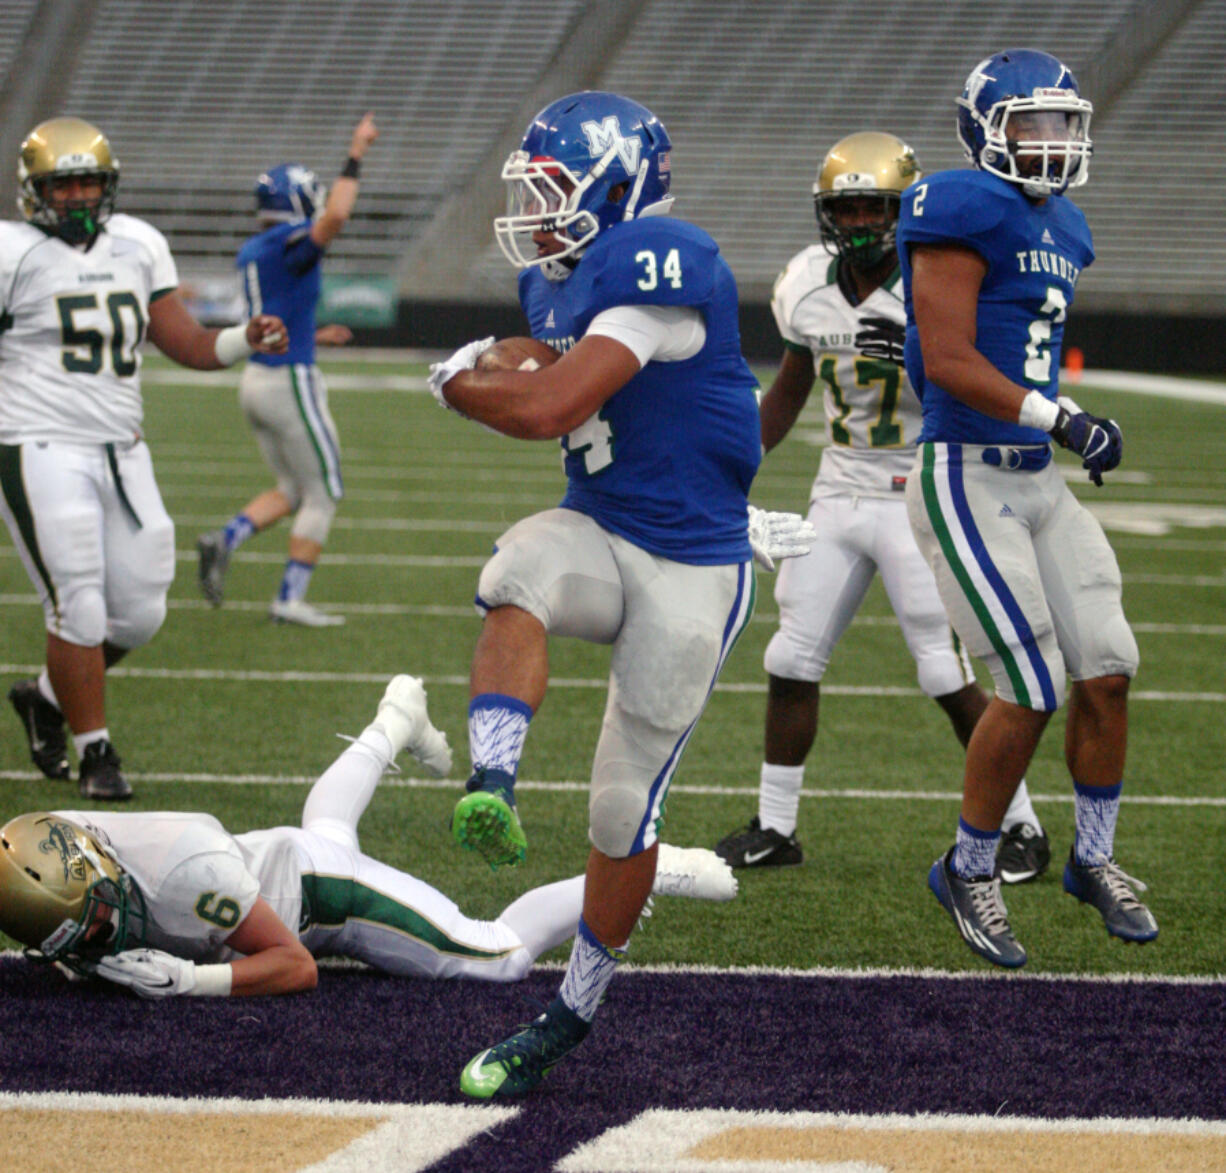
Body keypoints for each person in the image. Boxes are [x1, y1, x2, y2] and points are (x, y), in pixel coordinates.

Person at [425, 92, 813, 1098]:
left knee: (617, 809)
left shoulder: (662, 263)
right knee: (515, 569)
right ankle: (491, 785)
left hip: (692, 565)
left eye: (554, 193)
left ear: (616, 186)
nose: (537, 215)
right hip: (600, 532)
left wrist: (458, 379)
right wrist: (506, 355)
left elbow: (553, 400)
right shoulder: (560, 279)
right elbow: (543, 362)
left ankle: (570, 1011)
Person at [714, 132, 1049, 884]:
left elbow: (976, 387)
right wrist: (725, 473)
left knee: (943, 668)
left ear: (904, 210)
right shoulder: (805, 284)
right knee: (790, 655)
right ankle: (776, 825)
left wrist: (919, 355)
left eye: (875, 206)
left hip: (921, 484)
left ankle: (1021, 825)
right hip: (839, 486)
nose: (861, 220)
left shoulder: (937, 282)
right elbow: (790, 390)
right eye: (847, 206)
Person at [896, 49, 1157, 968]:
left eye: (1062, 125)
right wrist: (1067, 416)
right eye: (1029, 125)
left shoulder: (1069, 224)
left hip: (1035, 477)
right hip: (966, 469)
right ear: (984, 131)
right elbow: (950, 357)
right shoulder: (955, 203)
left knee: (1110, 667)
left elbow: (1028, 349)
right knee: (1034, 681)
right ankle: (967, 867)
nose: (1050, 144)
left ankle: (1093, 859)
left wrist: (1058, 422)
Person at [0, 676, 737, 998]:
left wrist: (195, 979)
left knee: (497, 956)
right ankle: (396, 717)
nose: (101, 933)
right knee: (324, 829)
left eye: (96, 916)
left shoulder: (184, 869)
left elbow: (293, 965)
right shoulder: (51, 860)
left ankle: (651, 866)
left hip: (321, 900)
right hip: (275, 861)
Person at [1, 116, 288, 802]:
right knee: (79, 603)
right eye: (61, 183)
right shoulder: (10, 252)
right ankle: (95, 749)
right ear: (34, 190)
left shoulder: (138, 244)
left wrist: (243, 338)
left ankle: (45, 697)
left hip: (122, 448)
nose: (76, 196)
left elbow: (186, 344)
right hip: (37, 443)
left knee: (140, 611)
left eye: (88, 182)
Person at [196, 112, 379, 628]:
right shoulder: (286, 243)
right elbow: (336, 218)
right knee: (326, 492)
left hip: (257, 377)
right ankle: (289, 599)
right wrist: (356, 151)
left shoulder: (255, 249)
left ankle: (224, 538)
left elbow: (267, 310)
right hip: (288, 380)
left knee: (293, 489)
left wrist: (312, 334)